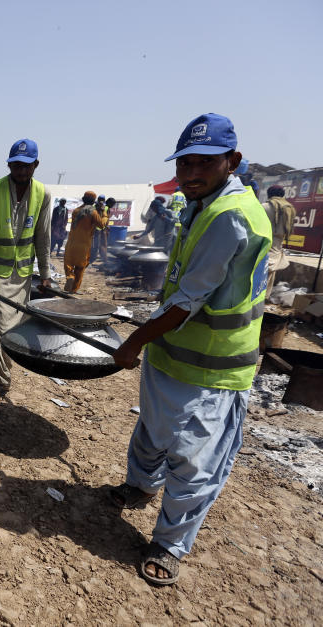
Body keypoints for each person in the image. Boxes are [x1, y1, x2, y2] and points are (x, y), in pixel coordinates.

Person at [110, 113, 272, 587]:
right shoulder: (199, 204)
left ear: (232, 161)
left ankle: (170, 544)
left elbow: (186, 301)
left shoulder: (232, 216)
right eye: (185, 164)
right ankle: (139, 486)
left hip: (213, 367)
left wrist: (134, 340)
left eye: (204, 162)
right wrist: (148, 341)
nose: (191, 173)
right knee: (153, 432)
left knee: (195, 462)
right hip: (171, 355)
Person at [0, 138, 52, 402]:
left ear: (35, 166)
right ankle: (1, 380)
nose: (21, 171)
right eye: (16, 166)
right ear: (9, 165)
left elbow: (43, 237)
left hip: (22, 276)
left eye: (26, 166)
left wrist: (46, 273)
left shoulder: (43, 194)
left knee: (12, 328)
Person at [63, 191, 107, 293]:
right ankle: (74, 289)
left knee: (69, 263)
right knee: (80, 267)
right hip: (84, 244)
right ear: (93, 201)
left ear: (83, 199)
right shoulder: (93, 212)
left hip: (72, 242)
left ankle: (70, 276)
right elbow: (101, 225)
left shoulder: (76, 211)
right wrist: (103, 213)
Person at [262, 184, 296, 294]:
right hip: (277, 245)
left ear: (269, 194)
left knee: (258, 272)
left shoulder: (264, 207)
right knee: (270, 274)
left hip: (262, 242)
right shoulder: (289, 209)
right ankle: (264, 297)